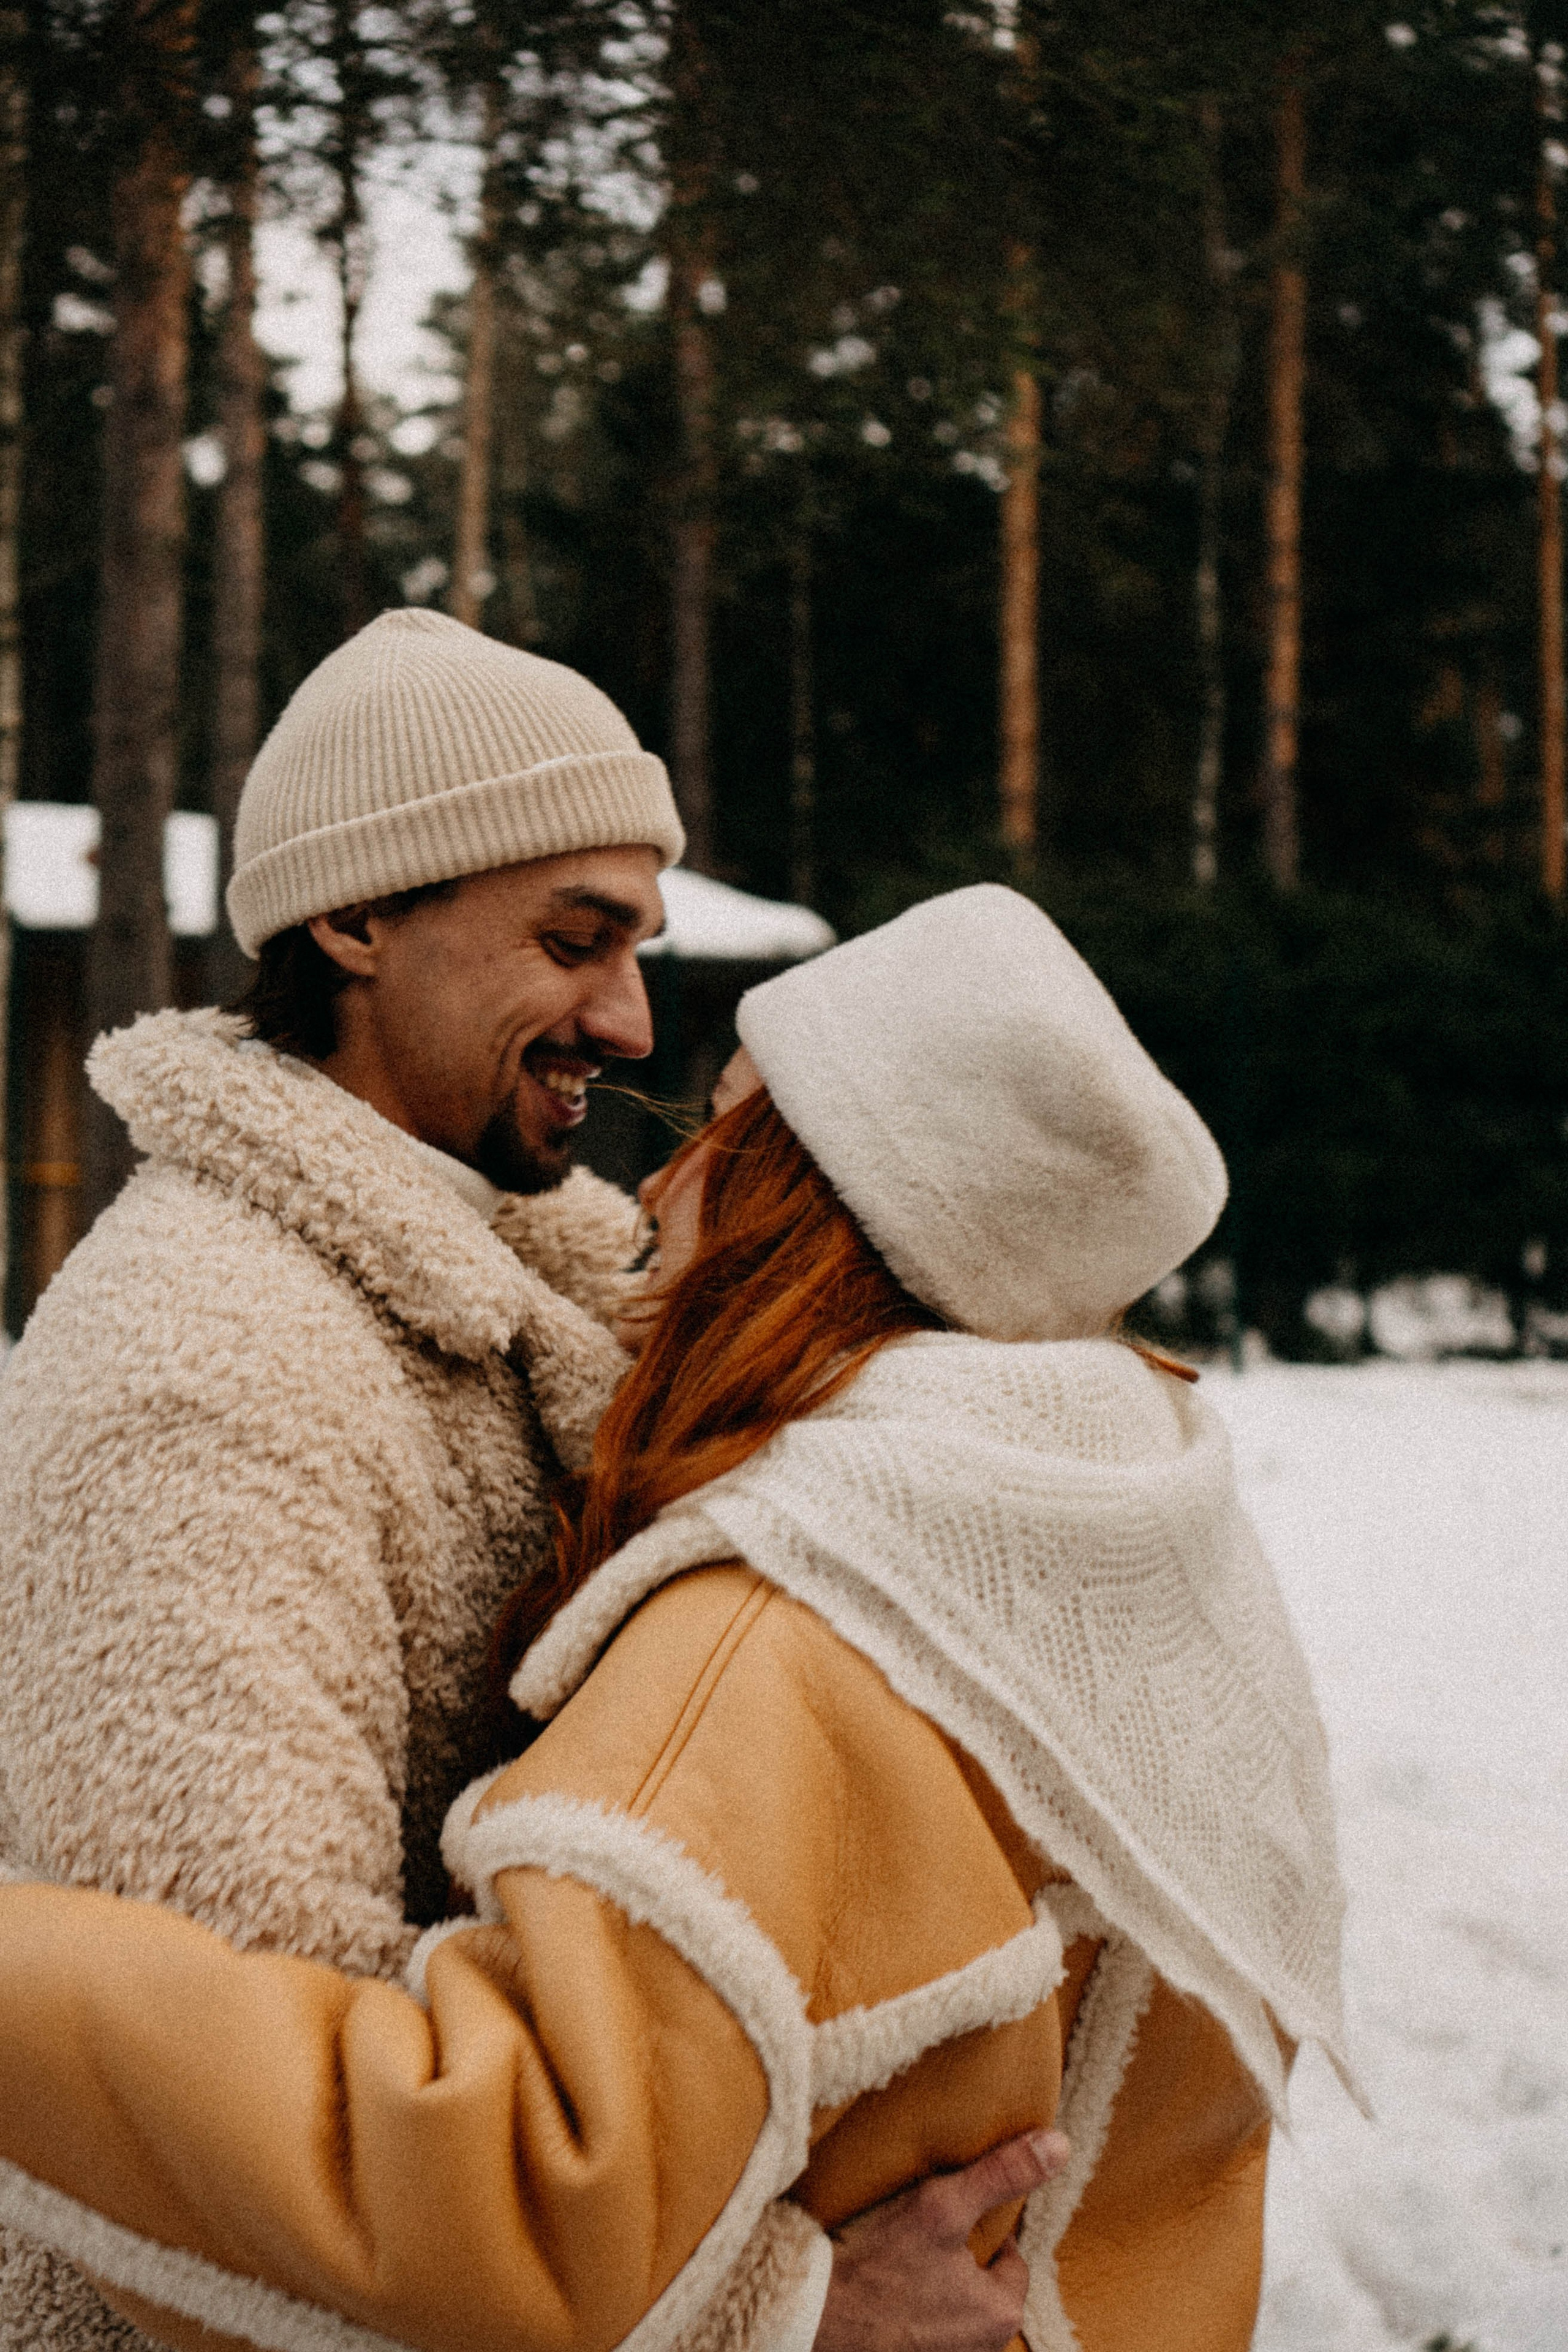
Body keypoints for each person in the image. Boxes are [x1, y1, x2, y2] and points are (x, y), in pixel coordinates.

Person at [0, 885, 1349, 2352]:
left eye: (719, 1131)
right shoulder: (1126, 1553)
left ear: (816, 1205)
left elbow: (507, 2203)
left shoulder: (776, 1629)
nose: (652, 1189)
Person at [0, 614, 1026, 2352]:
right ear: (356, 919)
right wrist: (777, 2317)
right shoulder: (207, 1368)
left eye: (641, 946)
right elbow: (219, 2122)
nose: (629, 1018)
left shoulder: (530, 1298)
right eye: (576, 938)